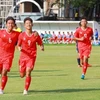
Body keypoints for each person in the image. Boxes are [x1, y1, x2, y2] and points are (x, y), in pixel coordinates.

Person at [17, 17, 44, 95]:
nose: (28, 24)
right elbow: (18, 45)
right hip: (23, 56)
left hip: (32, 56)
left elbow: (40, 43)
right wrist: (19, 48)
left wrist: (41, 47)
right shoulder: (21, 35)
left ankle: (26, 89)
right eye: (27, 23)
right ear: (24, 25)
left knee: (28, 71)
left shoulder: (35, 35)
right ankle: (21, 67)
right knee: (22, 75)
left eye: (30, 23)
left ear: (32, 24)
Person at [0, 16, 20, 94]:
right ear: (6, 24)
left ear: (14, 25)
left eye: (12, 23)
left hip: (9, 56)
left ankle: (1, 89)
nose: (10, 25)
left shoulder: (17, 34)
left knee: (4, 72)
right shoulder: (1, 32)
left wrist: (35, 33)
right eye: (9, 23)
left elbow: (26, 35)